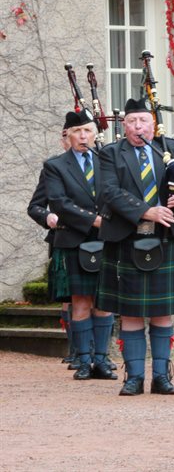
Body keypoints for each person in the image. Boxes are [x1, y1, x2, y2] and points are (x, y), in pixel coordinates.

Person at [96, 97, 174, 396]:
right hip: (126, 238)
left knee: (163, 312)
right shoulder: (111, 154)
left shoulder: (171, 149)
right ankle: (134, 377)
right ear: (124, 126)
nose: (139, 127)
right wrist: (145, 211)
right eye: (133, 122)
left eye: (144, 122)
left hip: (164, 239)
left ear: (153, 124)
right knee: (132, 312)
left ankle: (161, 376)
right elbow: (109, 192)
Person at [43, 110, 116, 381]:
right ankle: (84, 361)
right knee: (81, 302)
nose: (83, 136)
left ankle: (103, 360)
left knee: (105, 302)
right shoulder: (56, 166)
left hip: (107, 239)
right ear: (68, 136)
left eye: (87, 131)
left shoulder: (106, 160)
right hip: (75, 239)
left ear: (95, 135)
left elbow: (116, 193)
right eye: (77, 132)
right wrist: (94, 221)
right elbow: (59, 202)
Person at [29, 130, 78, 367]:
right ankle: (76, 349)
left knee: (96, 297)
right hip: (63, 238)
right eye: (71, 134)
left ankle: (95, 351)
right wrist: (47, 215)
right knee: (69, 296)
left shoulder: (101, 165)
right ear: (64, 140)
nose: (80, 137)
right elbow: (35, 206)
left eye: (86, 131)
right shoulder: (52, 169)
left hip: (96, 239)